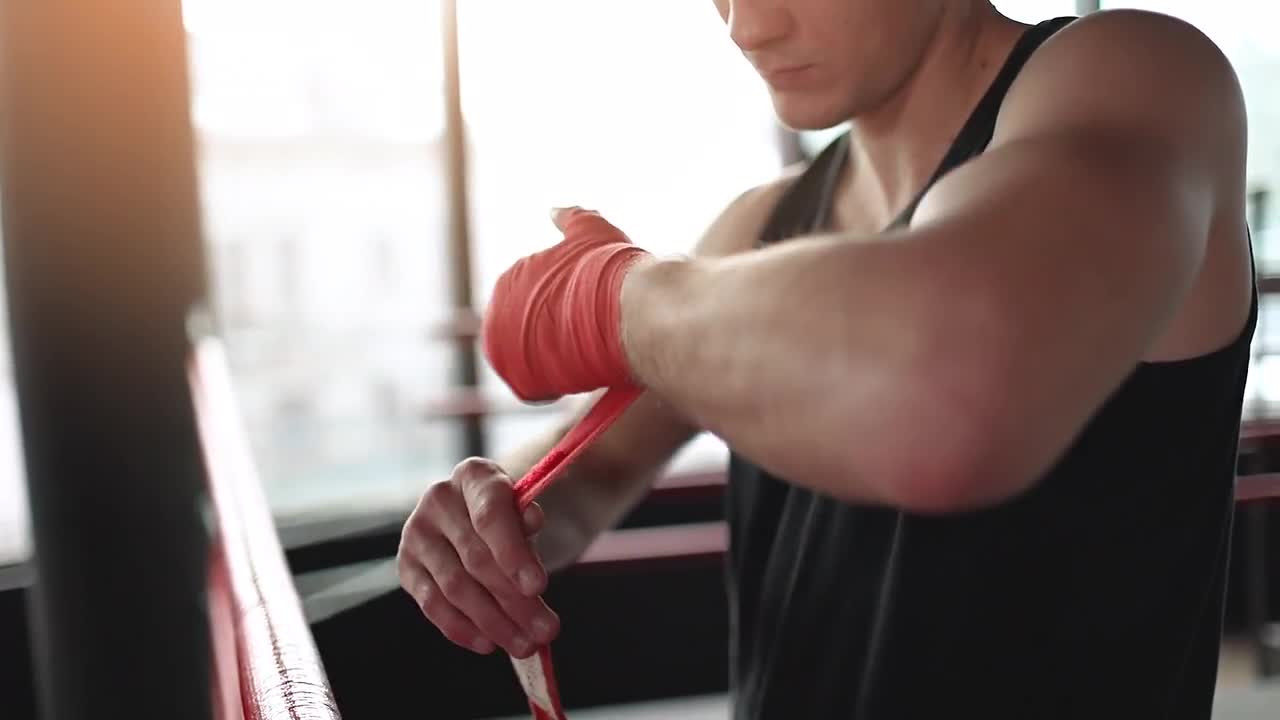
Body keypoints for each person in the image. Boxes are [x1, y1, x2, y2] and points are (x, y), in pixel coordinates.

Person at [398, 2, 1256, 717]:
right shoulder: (762, 225)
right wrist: (492, 516)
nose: (746, 24)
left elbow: (944, 389)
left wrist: (612, 300)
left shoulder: (1139, 78)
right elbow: (592, 466)